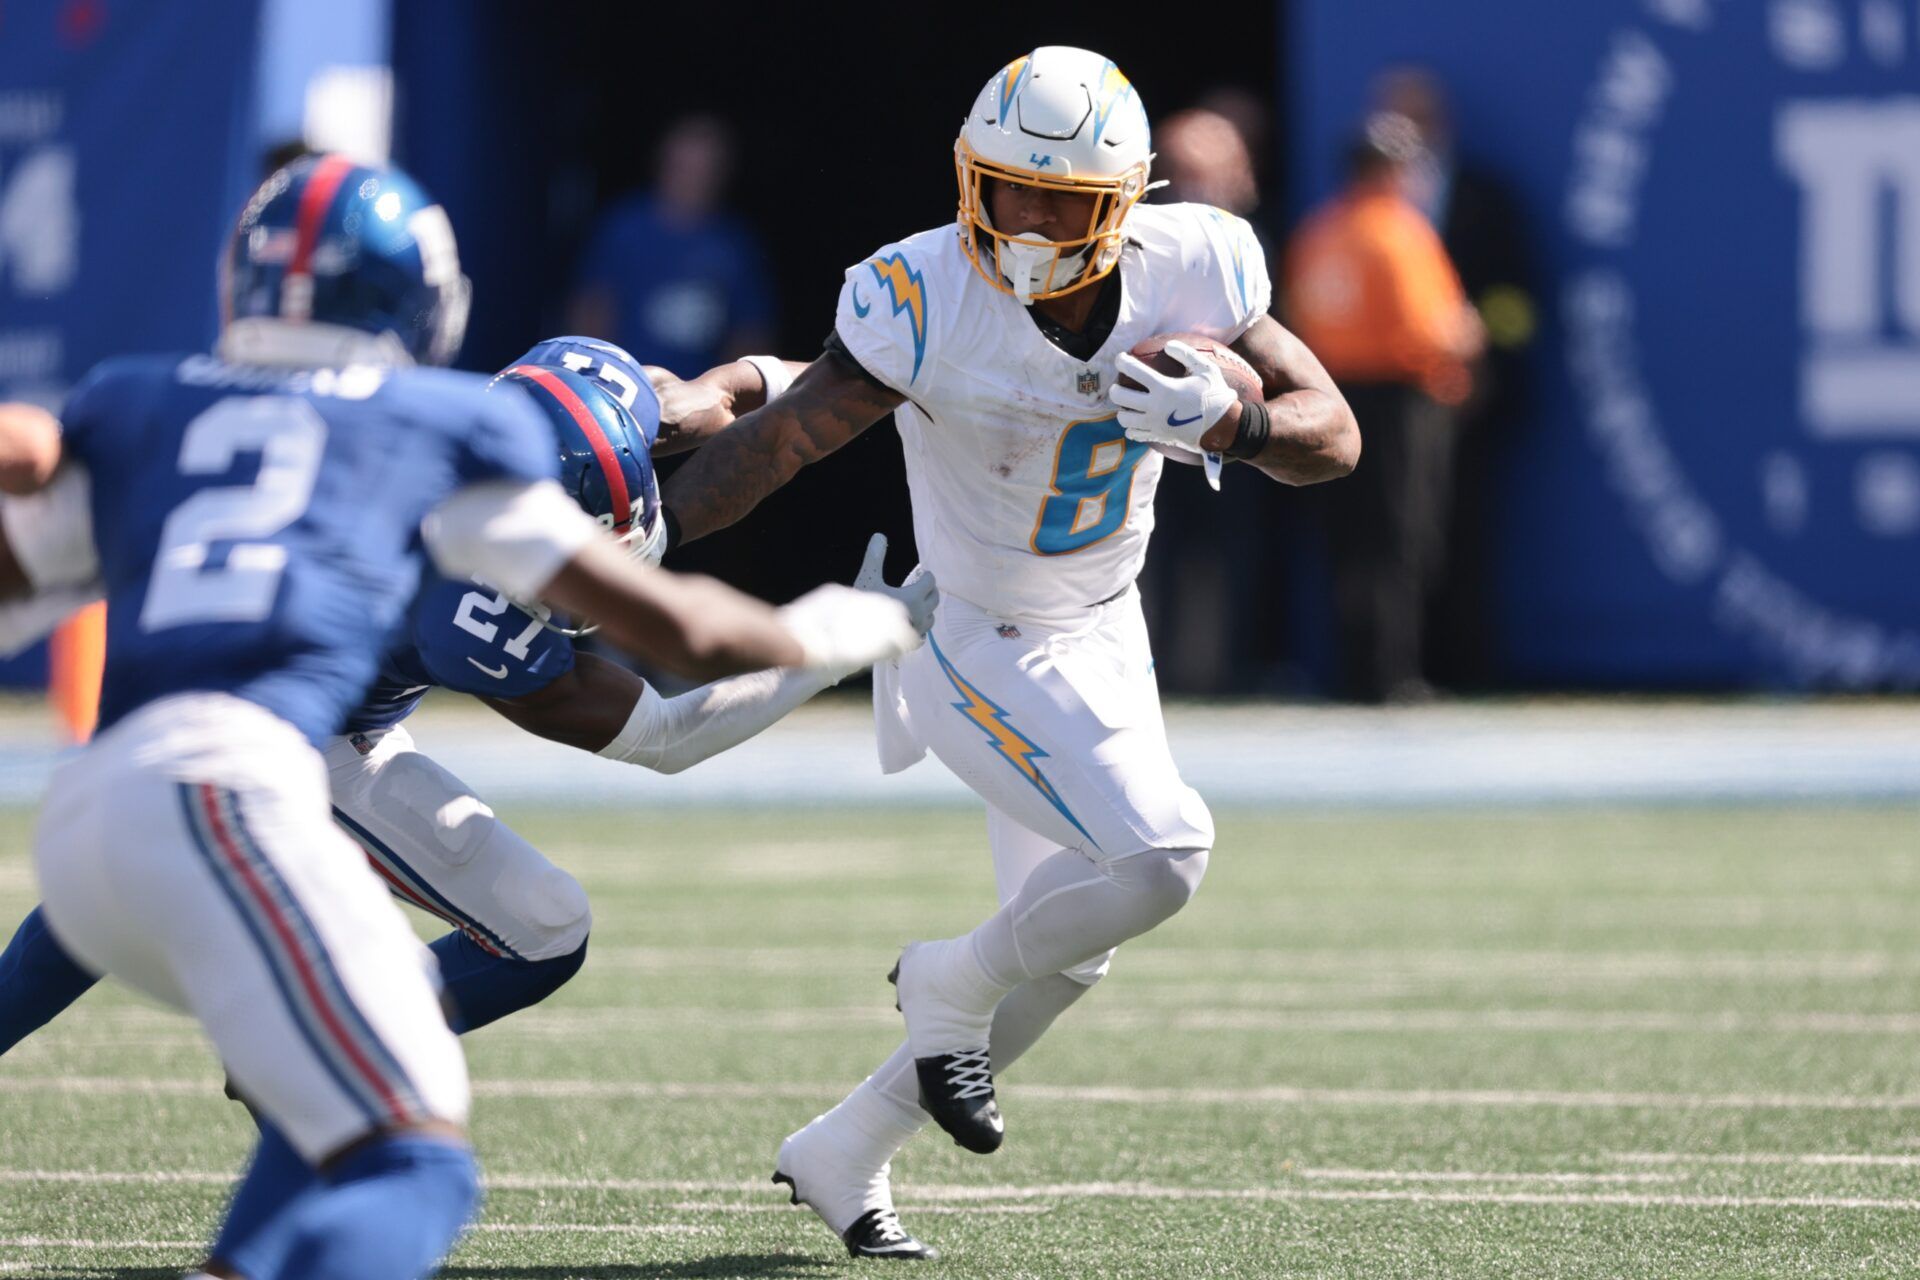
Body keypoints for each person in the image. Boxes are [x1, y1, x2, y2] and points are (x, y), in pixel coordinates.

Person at [0, 154, 923, 1279]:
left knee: (373, 1003)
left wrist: (862, 369)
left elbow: (723, 391)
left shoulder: (140, 396)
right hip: (270, 769)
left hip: (103, 789)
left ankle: (288, 1118)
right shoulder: (442, 454)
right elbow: (672, 698)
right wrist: (846, 633)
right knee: (417, 1157)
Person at [650, 47, 1357, 1259]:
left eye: (1061, 199)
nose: (1026, 219)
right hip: (971, 631)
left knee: (1080, 939)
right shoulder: (923, 294)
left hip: (1103, 624)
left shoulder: (1197, 263)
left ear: (1125, 205)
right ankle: (950, 984)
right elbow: (779, 447)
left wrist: (1236, 423)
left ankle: (845, 1146)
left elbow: (1333, 435)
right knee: (1168, 850)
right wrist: (631, 535)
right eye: (1007, 187)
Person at [0, 338, 931, 1071]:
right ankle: (333, 1044)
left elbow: (740, 386)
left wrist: (915, 387)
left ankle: (323, 1039)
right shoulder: (463, 614)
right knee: (541, 927)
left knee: (113, 885)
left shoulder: (582, 403)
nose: (623, 552)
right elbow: (666, 733)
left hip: (222, 680)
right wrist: (839, 644)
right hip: (295, 730)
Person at [1284, 113, 1483, 703]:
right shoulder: (1399, 232)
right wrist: (1470, 338)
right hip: (1400, 402)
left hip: (1329, 397)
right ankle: (1392, 674)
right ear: (1392, 169)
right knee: (1400, 537)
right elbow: (1437, 331)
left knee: (1347, 540)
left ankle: (1353, 668)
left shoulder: (1319, 231)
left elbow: (1299, 319)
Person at [1371, 66, 1537, 688]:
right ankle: (1396, 670)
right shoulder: (1362, 209)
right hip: (1385, 400)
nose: (1401, 130)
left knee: (1464, 535)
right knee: (1394, 539)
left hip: (1467, 398)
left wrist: (1484, 359)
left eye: (1414, 117)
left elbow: (1512, 299)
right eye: (1389, 116)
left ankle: (1467, 668)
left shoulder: (1485, 197)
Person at [566, 114, 774, 378]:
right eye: (684, 167)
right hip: (620, 392)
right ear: (662, 162)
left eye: (706, 170)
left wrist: (728, 406)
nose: (693, 180)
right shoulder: (623, 228)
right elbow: (589, 314)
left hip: (699, 404)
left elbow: (750, 338)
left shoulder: (737, 246)